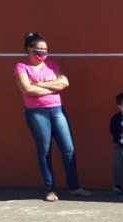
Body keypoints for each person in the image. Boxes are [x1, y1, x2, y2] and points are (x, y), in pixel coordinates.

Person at [14, 32, 91, 202]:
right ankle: (50, 189)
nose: (42, 53)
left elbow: (64, 82)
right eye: (39, 50)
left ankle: (74, 187)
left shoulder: (52, 65)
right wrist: (53, 87)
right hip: (36, 113)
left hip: (57, 111)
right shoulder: (22, 67)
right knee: (44, 150)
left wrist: (39, 85)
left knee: (68, 149)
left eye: (45, 50)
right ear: (29, 50)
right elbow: (27, 89)